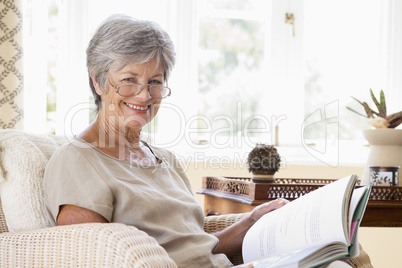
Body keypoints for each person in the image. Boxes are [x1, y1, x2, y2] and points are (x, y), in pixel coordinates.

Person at [43, 14, 288, 268]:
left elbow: (195, 248)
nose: (144, 95)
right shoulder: (77, 159)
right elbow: (92, 256)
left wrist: (251, 221)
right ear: (98, 81)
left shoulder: (166, 160)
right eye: (129, 79)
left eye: (155, 82)